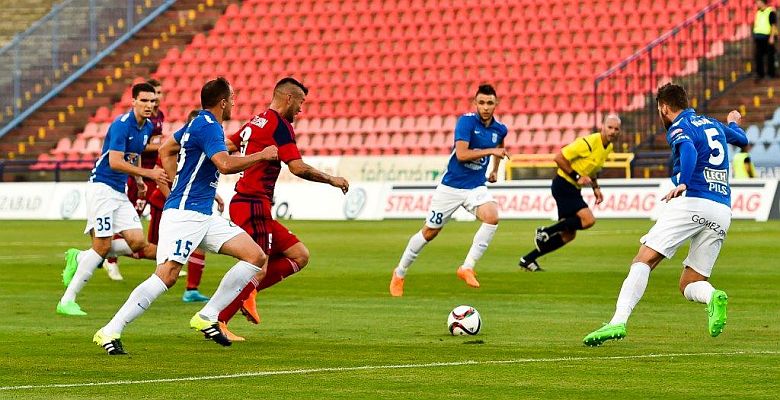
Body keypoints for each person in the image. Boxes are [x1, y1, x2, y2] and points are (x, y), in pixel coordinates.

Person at [93, 77, 278, 355]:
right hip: (185, 216)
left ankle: (207, 315)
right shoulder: (209, 126)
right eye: (232, 99)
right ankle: (110, 330)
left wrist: (177, 181)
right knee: (167, 275)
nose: (234, 103)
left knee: (255, 256)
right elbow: (225, 164)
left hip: (202, 213)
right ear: (223, 102)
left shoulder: (197, 123)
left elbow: (167, 148)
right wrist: (262, 155)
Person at [582, 83, 748, 346]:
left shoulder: (679, 126)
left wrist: (683, 181)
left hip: (692, 200)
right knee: (690, 282)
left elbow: (688, 150)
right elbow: (742, 140)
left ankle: (618, 320)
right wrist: (733, 123)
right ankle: (712, 296)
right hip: (722, 209)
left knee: (644, 259)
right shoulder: (712, 123)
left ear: (664, 108)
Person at [216, 77, 350, 341]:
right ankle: (218, 319)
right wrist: (331, 179)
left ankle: (248, 292)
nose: (300, 109)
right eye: (300, 102)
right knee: (257, 266)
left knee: (299, 255)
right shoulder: (280, 125)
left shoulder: (257, 120)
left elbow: (228, 146)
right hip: (252, 203)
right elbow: (297, 167)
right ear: (289, 98)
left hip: (252, 204)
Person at [56, 82, 171, 316]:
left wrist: (139, 181)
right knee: (102, 246)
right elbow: (115, 162)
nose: (149, 105)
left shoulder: (147, 126)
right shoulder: (121, 125)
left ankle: (80, 256)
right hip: (102, 188)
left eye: (152, 101)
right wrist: (148, 174)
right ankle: (67, 300)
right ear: (134, 101)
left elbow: (134, 155)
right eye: (144, 100)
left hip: (118, 190)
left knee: (137, 242)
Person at [389, 84, 509, 297]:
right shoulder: (466, 122)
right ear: (475, 103)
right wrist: (491, 151)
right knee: (429, 232)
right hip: (451, 187)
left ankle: (467, 267)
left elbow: (500, 147)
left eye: (490, 103)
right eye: (481, 102)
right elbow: (462, 155)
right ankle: (399, 273)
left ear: (496, 104)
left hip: (475, 186)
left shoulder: (500, 129)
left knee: (492, 217)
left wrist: (494, 170)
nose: (485, 107)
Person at [517, 115, 622, 272]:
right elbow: (559, 157)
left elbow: (592, 170)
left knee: (568, 235)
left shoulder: (608, 147)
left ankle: (528, 259)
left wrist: (595, 188)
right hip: (563, 185)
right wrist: (577, 177)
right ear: (602, 127)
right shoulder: (588, 142)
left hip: (572, 188)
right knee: (588, 220)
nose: (613, 131)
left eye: (616, 129)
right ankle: (545, 231)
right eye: (610, 127)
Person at [145, 110, 214, 303]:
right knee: (148, 248)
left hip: (187, 207)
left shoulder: (199, 148)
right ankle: (106, 252)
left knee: (197, 245)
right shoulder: (175, 145)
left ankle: (191, 289)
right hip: (164, 205)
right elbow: (160, 177)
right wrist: (174, 199)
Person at [103, 79, 167, 281]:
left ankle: (161, 259)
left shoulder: (157, 117)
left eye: (157, 96)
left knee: (154, 217)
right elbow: (138, 148)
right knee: (131, 219)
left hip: (150, 173)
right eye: (149, 98)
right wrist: (161, 146)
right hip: (138, 172)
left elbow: (142, 145)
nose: (154, 101)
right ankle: (109, 258)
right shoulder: (129, 123)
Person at [753, 0, 777, 81]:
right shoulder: (758, 12)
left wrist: (772, 37)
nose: (757, 3)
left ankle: (771, 74)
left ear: (762, 2)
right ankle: (760, 74)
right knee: (758, 57)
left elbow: (773, 25)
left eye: (758, 2)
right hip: (759, 37)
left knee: (770, 57)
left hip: (767, 37)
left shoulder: (770, 12)